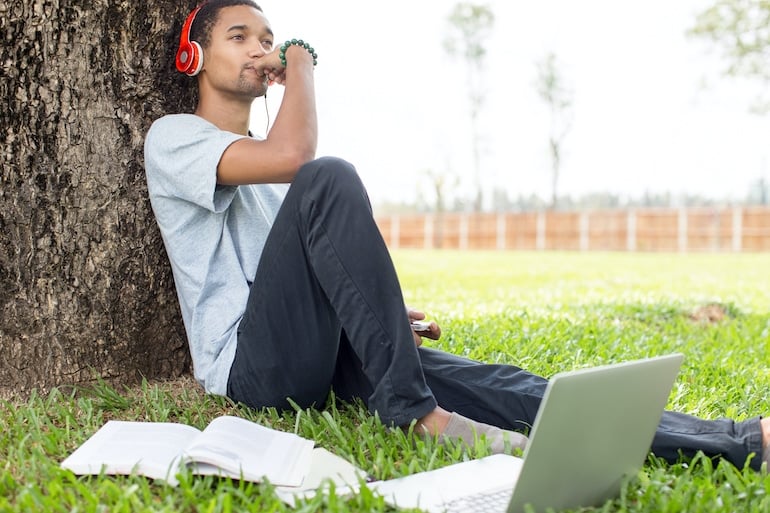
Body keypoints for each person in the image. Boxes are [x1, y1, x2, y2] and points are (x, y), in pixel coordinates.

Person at [144, 0, 770, 470]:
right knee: (330, 176)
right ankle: (415, 414)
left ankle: (739, 441)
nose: (261, 48)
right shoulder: (174, 139)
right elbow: (301, 156)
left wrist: (378, 313)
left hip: (320, 354)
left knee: (505, 386)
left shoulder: (269, 165)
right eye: (240, 36)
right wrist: (301, 59)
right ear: (194, 56)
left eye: (270, 38)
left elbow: (305, 267)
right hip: (252, 372)